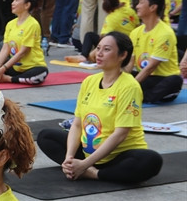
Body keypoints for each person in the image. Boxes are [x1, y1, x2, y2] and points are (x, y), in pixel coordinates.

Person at [38, 31, 163, 183]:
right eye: (98, 48)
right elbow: (77, 124)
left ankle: (93, 174)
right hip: (87, 151)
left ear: (123, 55)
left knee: (151, 160)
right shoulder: (89, 81)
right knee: (45, 136)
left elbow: (120, 134)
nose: (99, 53)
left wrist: (85, 165)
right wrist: (69, 158)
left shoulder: (130, 86)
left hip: (117, 155)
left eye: (107, 49)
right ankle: (76, 168)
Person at [126, 0, 183, 104]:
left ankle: (140, 95)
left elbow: (151, 67)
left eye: (141, 3)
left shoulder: (165, 33)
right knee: (120, 75)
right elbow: (130, 63)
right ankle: (137, 94)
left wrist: (130, 87)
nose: (137, 6)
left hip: (163, 78)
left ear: (153, 7)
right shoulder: (135, 32)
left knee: (175, 80)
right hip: (146, 77)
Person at [66, 0, 138, 64]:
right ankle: (87, 56)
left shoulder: (110, 18)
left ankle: (84, 56)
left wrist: (94, 52)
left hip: (118, 43)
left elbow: (104, 38)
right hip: (131, 40)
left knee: (89, 35)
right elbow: (137, 25)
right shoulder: (129, 11)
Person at [0, 0, 49, 85]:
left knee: (41, 73)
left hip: (32, 67)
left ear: (27, 5)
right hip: (15, 67)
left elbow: (23, 52)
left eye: (16, 0)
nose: (12, 3)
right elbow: (5, 48)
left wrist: (3, 69)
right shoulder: (10, 24)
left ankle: (9, 79)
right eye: (13, 0)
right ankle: (8, 76)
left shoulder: (32, 24)